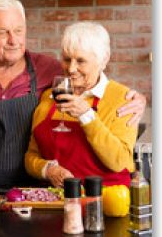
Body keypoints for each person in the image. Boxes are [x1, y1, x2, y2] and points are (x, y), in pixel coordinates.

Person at [0, 0, 146, 188]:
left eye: (19, 31)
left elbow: (94, 81)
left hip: (30, 190)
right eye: (3, 32)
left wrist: (138, 98)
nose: (13, 40)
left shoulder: (48, 69)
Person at [25, 21, 139, 188]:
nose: (71, 68)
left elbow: (119, 161)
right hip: (55, 203)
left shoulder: (124, 99)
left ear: (103, 60)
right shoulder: (49, 96)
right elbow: (31, 156)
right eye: (66, 59)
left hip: (105, 204)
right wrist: (48, 170)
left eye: (80, 61)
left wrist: (87, 115)